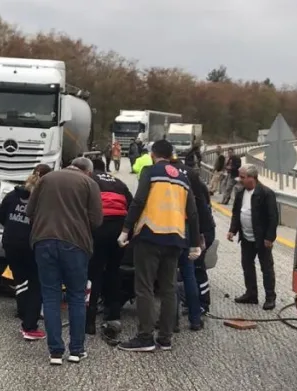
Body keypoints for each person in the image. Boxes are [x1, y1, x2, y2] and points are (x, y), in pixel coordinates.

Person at [117, 140, 201, 352]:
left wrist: (126, 230)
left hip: (150, 235)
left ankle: (145, 336)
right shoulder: (183, 176)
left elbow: (139, 201)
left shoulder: (150, 171)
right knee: (169, 288)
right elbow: (192, 211)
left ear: (153, 154)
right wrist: (193, 244)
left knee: (144, 286)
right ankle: (165, 337)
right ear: (171, 154)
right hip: (175, 238)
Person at [27, 157, 103, 365]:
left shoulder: (46, 179)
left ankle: (55, 352)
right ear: (87, 171)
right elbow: (97, 221)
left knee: (50, 296)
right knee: (77, 297)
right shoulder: (90, 184)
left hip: (43, 241)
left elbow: (29, 210)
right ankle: (76, 351)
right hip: (75, 245)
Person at [0, 164, 52, 341]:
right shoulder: (43, 199)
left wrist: (12, 228)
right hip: (31, 244)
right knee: (36, 283)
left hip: (10, 242)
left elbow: (0, 216)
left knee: (20, 279)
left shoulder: (12, 195)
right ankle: (30, 325)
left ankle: (23, 312)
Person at [87, 158, 132, 340]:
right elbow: (132, 205)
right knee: (113, 271)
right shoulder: (119, 182)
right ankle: (113, 315)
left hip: (99, 228)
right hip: (119, 228)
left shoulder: (90, 180)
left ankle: (89, 321)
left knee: (94, 272)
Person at [169, 155, 215, 327]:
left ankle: (172, 321)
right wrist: (198, 237)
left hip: (172, 229)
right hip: (192, 229)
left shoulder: (160, 174)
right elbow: (202, 206)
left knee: (171, 275)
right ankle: (196, 315)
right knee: (191, 273)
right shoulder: (191, 175)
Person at [227, 164, 279, 310]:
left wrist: (269, 237)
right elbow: (236, 213)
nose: (240, 180)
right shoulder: (240, 193)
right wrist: (233, 230)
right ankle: (251, 294)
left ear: (252, 177)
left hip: (262, 239)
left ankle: (270, 297)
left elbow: (273, 217)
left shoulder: (266, 193)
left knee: (266, 268)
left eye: (242, 177)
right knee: (247, 266)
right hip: (246, 238)